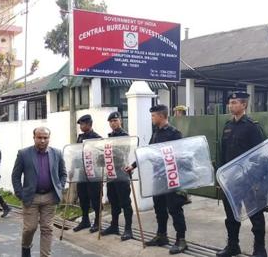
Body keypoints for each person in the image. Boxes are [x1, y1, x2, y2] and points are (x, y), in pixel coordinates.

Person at [124, 104, 188, 254]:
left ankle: (181, 240)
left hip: (171, 179)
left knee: (174, 209)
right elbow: (148, 153)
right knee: (159, 208)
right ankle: (162, 236)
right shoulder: (156, 133)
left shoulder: (174, 134)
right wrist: (133, 166)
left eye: (153, 116)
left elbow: (181, 157)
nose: (152, 118)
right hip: (158, 178)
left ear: (160, 116)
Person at [217, 92, 267, 257]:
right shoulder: (227, 126)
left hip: (249, 181)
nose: (231, 105)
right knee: (231, 216)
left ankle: (259, 249)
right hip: (230, 181)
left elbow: (261, 155)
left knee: (256, 216)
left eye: (234, 102)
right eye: (230, 102)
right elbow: (222, 153)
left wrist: (257, 181)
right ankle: (232, 246)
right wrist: (220, 177)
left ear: (244, 105)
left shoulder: (252, 127)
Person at [12, 127, 67, 257]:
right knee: (30, 228)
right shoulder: (24, 154)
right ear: (34, 138)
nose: (42, 140)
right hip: (31, 197)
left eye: (45, 138)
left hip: (50, 197)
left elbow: (63, 173)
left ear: (49, 138)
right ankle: (25, 248)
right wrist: (20, 193)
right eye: (39, 137)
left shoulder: (57, 153)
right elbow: (16, 176)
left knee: (47, 229)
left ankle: (45, 255)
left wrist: (59, 188)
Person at [100, 111, 133, 241]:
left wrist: (110, 154)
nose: (113, 123)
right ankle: (114, 225)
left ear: (120, 121)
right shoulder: (109, 136)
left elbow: (123, 153)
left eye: (115, 120)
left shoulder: (125, 136)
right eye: (111, 121)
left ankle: (128, 229)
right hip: (111, 173)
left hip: (121, 172)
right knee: (113, 200)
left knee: (125, 202)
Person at [72, 114, 103, 233]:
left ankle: (97, 221)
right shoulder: (80, 138)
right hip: (81, 173)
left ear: (89, 124)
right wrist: (72, 168)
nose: (81, 126)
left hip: (94, 173)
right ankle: (85, 220)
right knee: (83, 197)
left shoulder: (97, 138)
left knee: (95, 198)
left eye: (83, 124)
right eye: (80, 124)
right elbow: (76, 154)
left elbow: (100, 156)